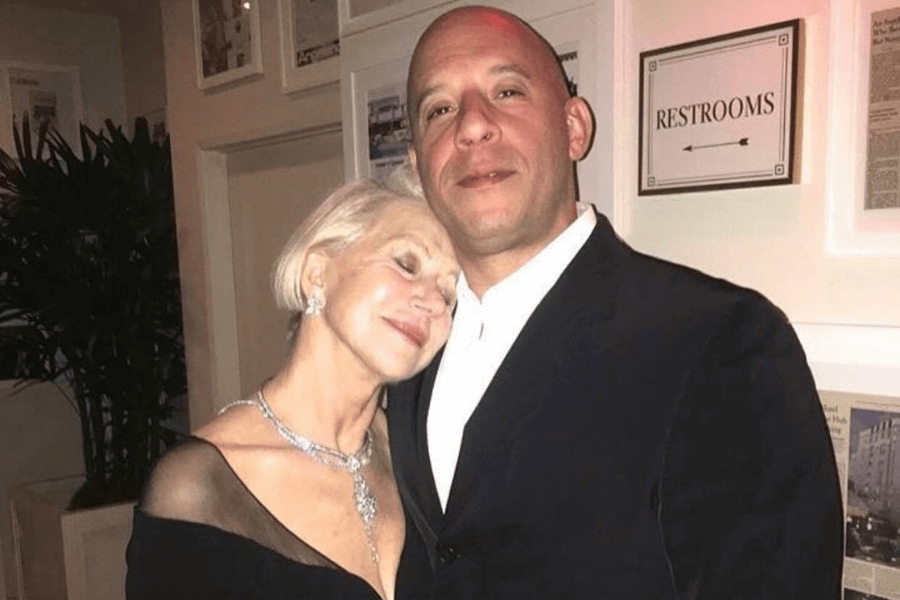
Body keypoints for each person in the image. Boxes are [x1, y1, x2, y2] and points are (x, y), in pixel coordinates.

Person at [387, 6, 844, 599]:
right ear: (420, 165)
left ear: (574, 127)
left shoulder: (718, 340)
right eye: (439, 109)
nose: (471, 126)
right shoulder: (404, 346)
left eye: (507, 90)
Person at [125, 166, 460, 600]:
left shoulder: (421, 455)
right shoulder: (195, 489)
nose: (432, 301)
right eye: (406, 263)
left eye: (451, 294)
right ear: (316, 272)